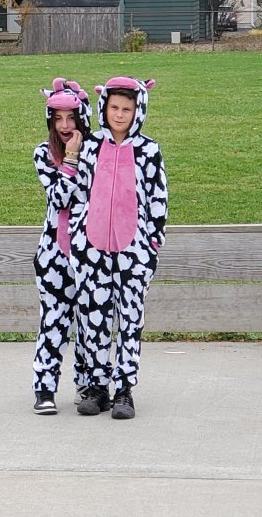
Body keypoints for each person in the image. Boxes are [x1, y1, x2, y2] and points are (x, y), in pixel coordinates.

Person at [66, 77, 168, 420]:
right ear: (104, 108)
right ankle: (97, 387)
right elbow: (80, 192)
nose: (120, 114)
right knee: (93, 318)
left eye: (127, 109)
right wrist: (79, 239)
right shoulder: (92, 146)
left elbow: (158, 198)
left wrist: (151, 244)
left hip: (134, 251)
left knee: (130, 318)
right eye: (114, 108)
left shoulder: (148, 150)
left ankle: (124, 389)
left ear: (138, 111)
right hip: (92, 248)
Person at [31, 78, 93, 415]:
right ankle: (44, 388)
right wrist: (69, 159)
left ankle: (88, 386)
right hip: (54, 255)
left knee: (89, 323)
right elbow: (59, 197)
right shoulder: (43, 154)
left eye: (71, 118)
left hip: (91, 253)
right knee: (53, 322)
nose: (65, 125)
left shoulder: (97, 153)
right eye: (58, 119)